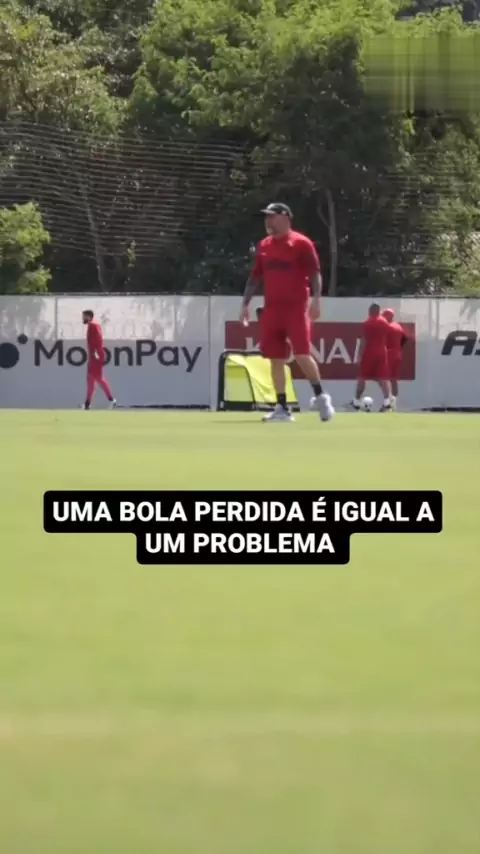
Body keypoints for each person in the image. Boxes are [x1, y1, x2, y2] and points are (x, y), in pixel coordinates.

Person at [240, 202, 334, 422]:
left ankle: (321, 396)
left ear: (286, 218)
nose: (268, 221)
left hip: (296, 308)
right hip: (272, 309)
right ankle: (282, 407)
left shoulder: (301, 243)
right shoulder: (264, 245)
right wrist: (245, 304)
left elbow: (315, 273)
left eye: (272, 217)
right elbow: (255, 277)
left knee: (302, 354)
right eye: (267, 217)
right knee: (275, 359)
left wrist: (316, 300)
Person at [350, 303, 392, 412]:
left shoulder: (368, 323)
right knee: (382, 377)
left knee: (362, 377)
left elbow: (364, 341)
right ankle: (387, 402)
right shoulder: (385, 322)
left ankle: (356, 401)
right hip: (382, 352)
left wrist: (359, 355)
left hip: (369, 352)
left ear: (370, 311)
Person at [81, 310, 116, 410]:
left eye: (84, 316)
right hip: (93, 355)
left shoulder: (93, 325)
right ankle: (87, 403)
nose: (83, 318)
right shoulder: (92, 325)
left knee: (98, 378)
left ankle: (111, 399)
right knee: (91, 380)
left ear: (89, 316)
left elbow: (98, 339)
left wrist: (96, 353)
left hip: (96, 356)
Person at [382, 308, 408, 409]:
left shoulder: (386, 326)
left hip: (389, 354)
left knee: (385, 379)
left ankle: (388, 403)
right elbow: (405, 339)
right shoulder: (398, 326)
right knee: (394, 379)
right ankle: (394, 402)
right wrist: (398, 347)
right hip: (398, 354)